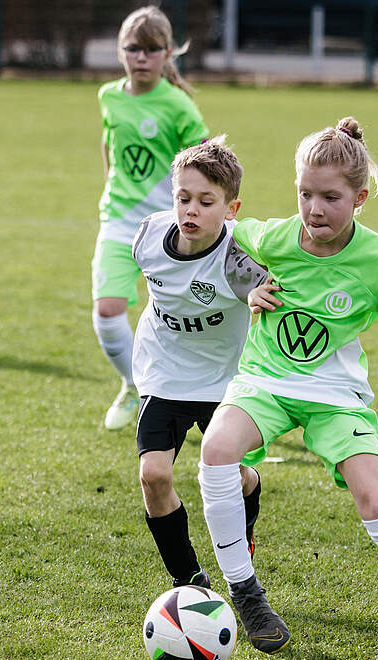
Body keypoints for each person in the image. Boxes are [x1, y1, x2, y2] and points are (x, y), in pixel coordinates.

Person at [196, 117, 378, 660]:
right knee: (216, 450)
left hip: (336, 394)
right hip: (266, 381)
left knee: (375, 498)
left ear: (360, 197)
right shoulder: (275, 236)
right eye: (304, 194)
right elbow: (219, 232)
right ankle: (246, 593)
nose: (314, 209)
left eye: (330, 197)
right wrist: (249, 286)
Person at [131, 136, 267, 589]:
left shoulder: (239, 261)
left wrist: (260, 299)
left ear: (231, 209)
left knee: (235, 476)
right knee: (153, 474)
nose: (191, 210)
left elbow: (273, 293)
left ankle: (245, 522)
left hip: (224, 382)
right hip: (164, 372)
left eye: (206, 202)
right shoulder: (148, 235)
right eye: (183, 198)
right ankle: (189, 581)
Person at [92, 5, 209, 431]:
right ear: (120, 51)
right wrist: (111, 187)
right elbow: (110, 147)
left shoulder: (178, 105)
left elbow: (207, 163)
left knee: (189, 320)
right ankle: (135, 385)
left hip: (171, 227)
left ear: (168, 53)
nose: (141, 57)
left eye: (151, 49)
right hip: (119, 221)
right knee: (107, 311)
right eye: (133, 49)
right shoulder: (108, 96)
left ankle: (210, 396)